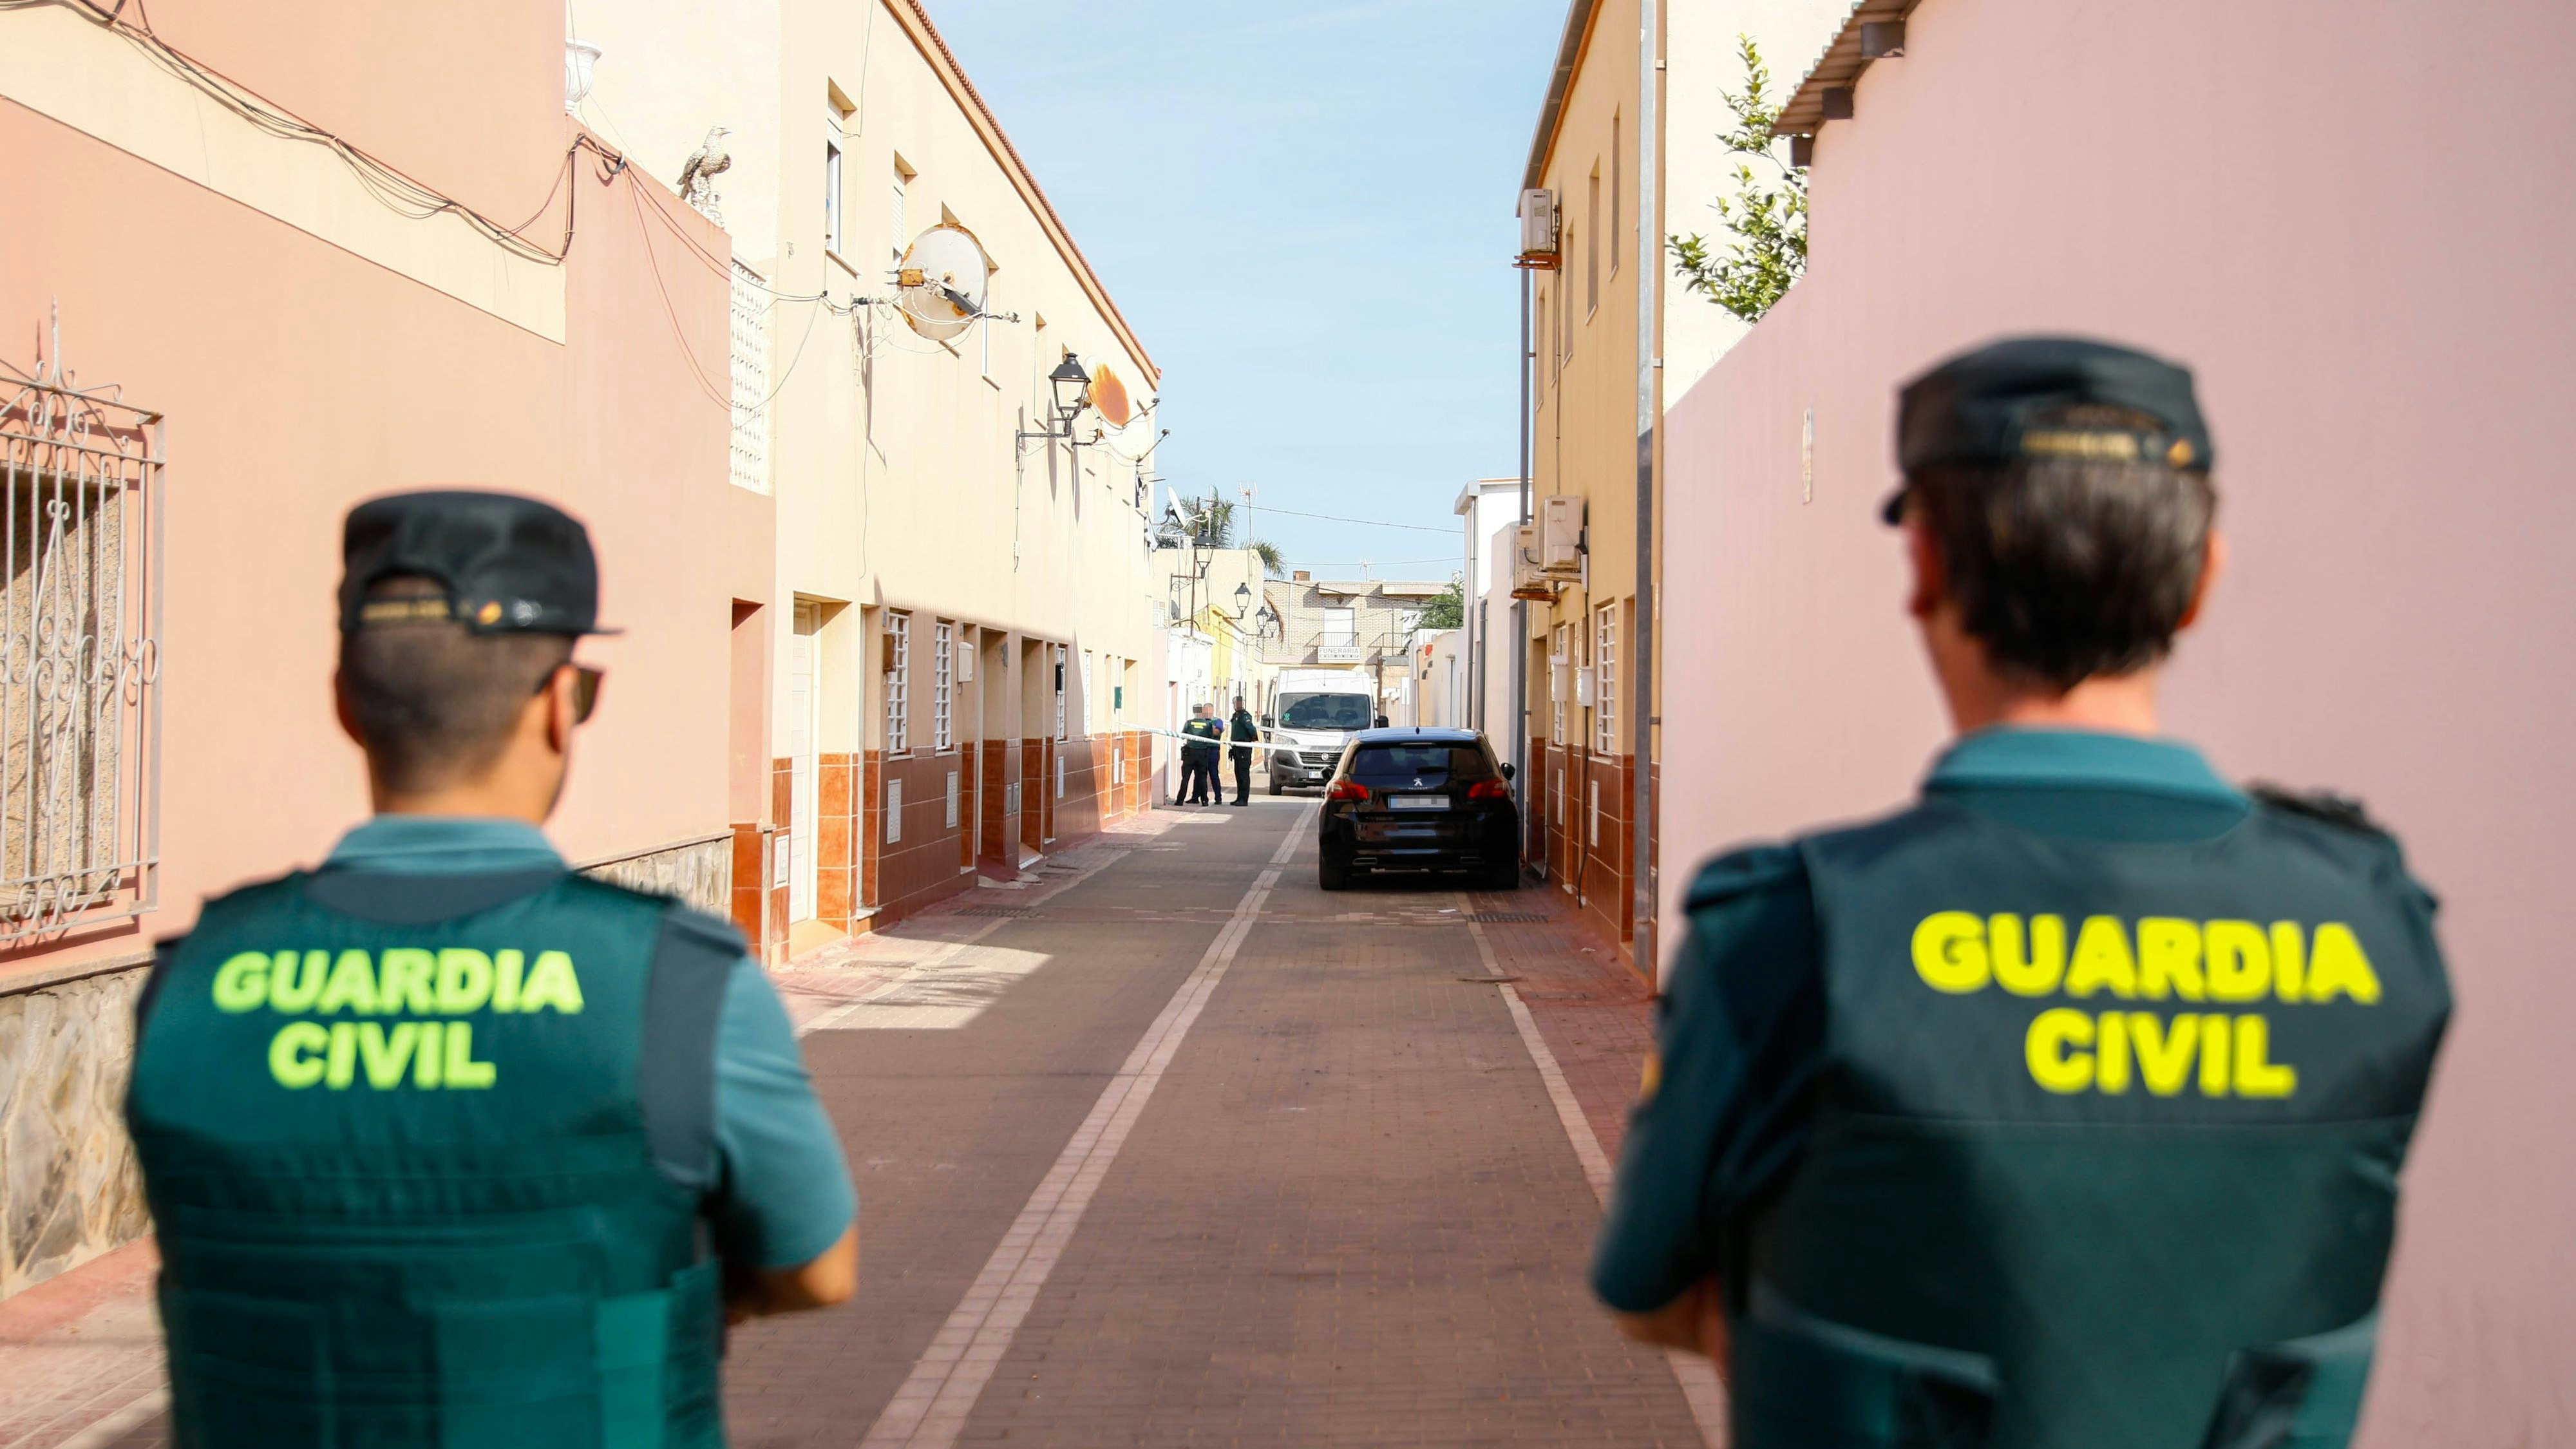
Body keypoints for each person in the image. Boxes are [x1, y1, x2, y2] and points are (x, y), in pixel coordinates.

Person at [1591, 339, 2450, 1448]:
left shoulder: (1789, 932)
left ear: (1929, 569)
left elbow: (1650, 1283)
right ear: (2202, 582)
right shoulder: (2376, 923)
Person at [126, 491, 858, 1448]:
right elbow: (819, 1266)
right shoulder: (679, 980)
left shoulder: (189, 984)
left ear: (346, 704)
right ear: (561, 705)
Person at [1179, 703, 1222, 805]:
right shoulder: (1206, 723)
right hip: (1203, 751)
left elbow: (1217, 732)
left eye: (1208, 711)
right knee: (1199, 776)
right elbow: (1211, 733)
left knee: (1213, 774)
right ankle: (1196, 797)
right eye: (1204, 710)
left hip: (1212, 751)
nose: (1206, 713)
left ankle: (1218, 797)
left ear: (1212, 711)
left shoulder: (1218, 721)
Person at [1227, 697, 1258, 806]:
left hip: (1244, 748)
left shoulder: (1244, 715)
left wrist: (1251, 739)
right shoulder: (1236, 716)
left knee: (1244, 774)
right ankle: (1239, 797)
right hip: (1237, 748)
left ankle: (1244, 799)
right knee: (1238, 774)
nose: (1236, 705)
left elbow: (1252, 730)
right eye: (1235, 703)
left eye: (1238, 703)